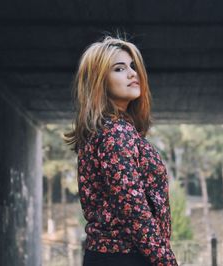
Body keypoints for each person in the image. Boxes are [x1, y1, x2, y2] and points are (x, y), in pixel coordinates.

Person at [64, 35, 178, 266]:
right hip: (126, 257)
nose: (132, 73)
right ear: (98, 81)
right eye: (119, 68)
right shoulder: (115, 131)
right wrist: (167, 261)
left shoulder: (105, 130)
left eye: (133, 66)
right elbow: (133, 208)